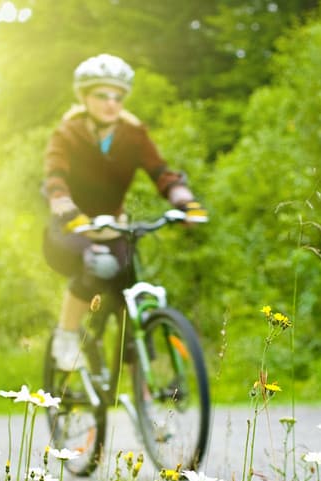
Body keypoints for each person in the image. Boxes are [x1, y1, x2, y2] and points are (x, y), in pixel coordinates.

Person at [42, 53, 204, 371]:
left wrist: (185, 203)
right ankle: (67, 334)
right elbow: (55, 179)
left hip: (112, 225)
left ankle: (142, 389)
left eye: (118, 96)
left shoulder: (133, 135)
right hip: (71, 227)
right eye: (102, 95)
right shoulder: (68, 134)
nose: (111, 103)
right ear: (85, 97)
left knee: (132, 295)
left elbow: (161, 173)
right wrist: (66, 210)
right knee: (99, 264)